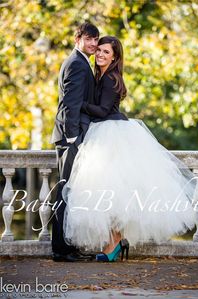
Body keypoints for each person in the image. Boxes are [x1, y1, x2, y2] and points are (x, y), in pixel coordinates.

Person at [62, 36, 198, 262]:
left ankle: (114, 244)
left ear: (115, 56)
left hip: (112, 134)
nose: (100, 54)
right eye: (98, 50)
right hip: (103, 134)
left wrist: (80, 104)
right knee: (107, 193)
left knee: (115, 193)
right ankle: (115, 242)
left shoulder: (110, 78)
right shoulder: (100, 75)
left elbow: (102, 110)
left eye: (106, 52)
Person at [50, 22, 99, 262]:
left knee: (70, 191)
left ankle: (66, 246)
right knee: (64, 191)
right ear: (77, 38)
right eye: (89, 39)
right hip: (70, 137)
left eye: (96, 40)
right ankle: (59, 249)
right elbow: (69, 103)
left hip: (73, 135)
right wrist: (72, 137)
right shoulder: (77, 64)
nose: (93, 44)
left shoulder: (79, 62)